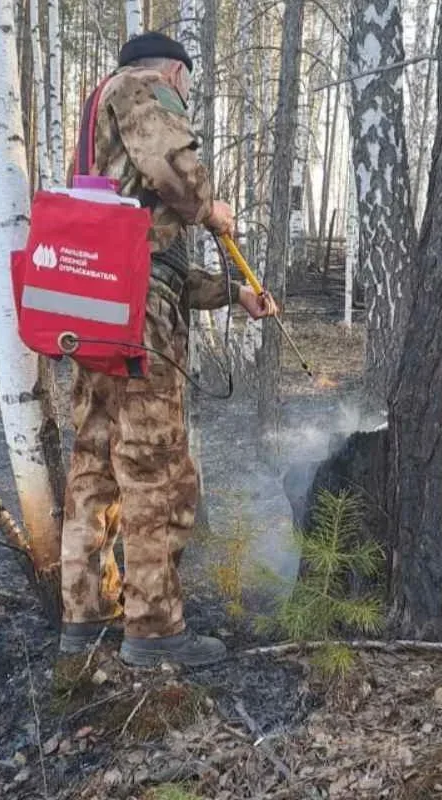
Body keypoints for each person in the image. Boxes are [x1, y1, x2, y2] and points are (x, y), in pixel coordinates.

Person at [58, 32, 278, 667]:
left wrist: (232, 294)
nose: (182, 96)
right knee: (154, 470)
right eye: (185, 85)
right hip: (136, 317)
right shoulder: (142, 89)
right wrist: (213, 209)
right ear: (176, 73)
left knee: (95, 461)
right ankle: (154, 631)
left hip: (99, 307)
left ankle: (85, 616)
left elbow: (156, 257)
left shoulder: (98, 109)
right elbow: (176, 182)